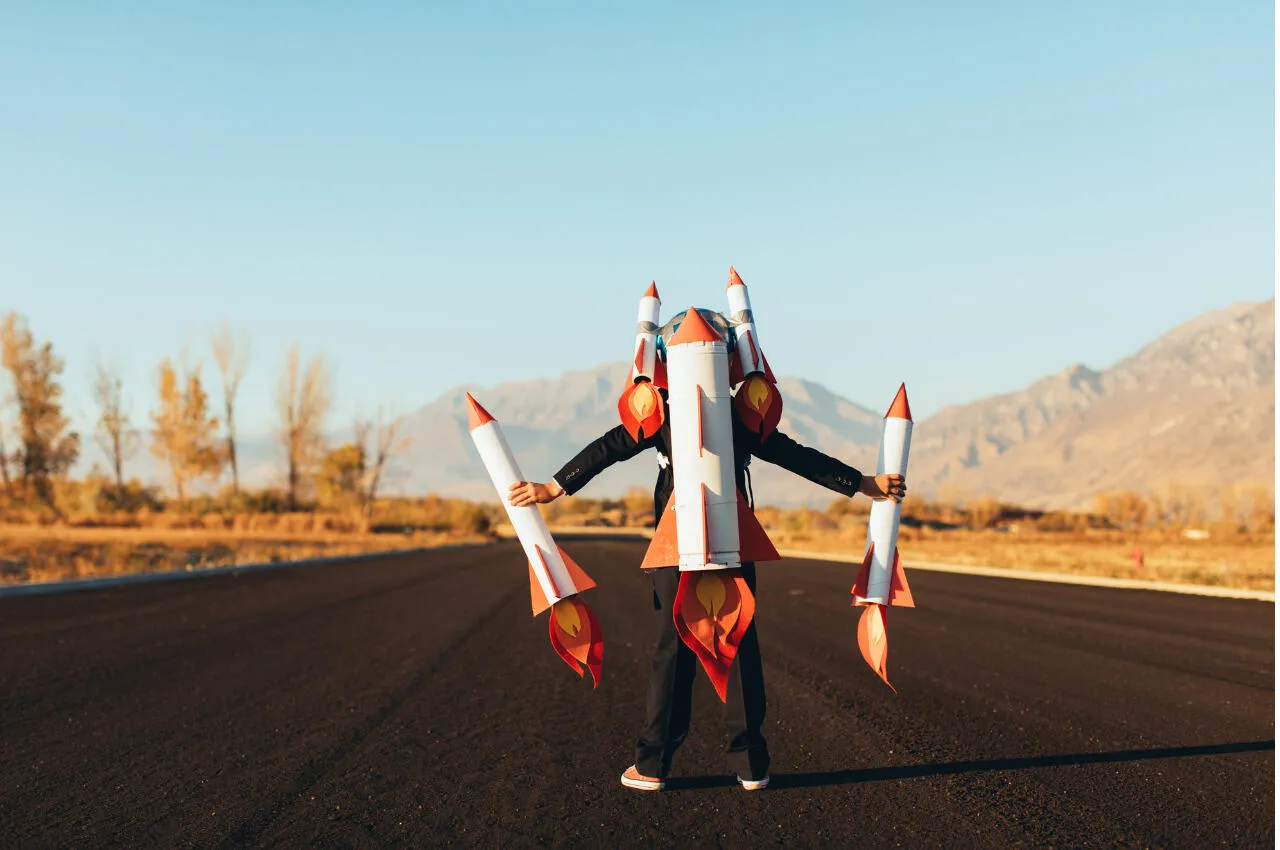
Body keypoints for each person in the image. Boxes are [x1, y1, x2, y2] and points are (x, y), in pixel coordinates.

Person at [508, 309, 905, 792]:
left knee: (670, 650)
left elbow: (609, 446)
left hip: (674, 550)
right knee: (739, 644)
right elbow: (791, 452)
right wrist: (863, 483)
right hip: (730, 543)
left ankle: (652, 766)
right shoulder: (739, 417)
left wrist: (554, 487)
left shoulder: (659, 414)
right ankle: (751, 764)